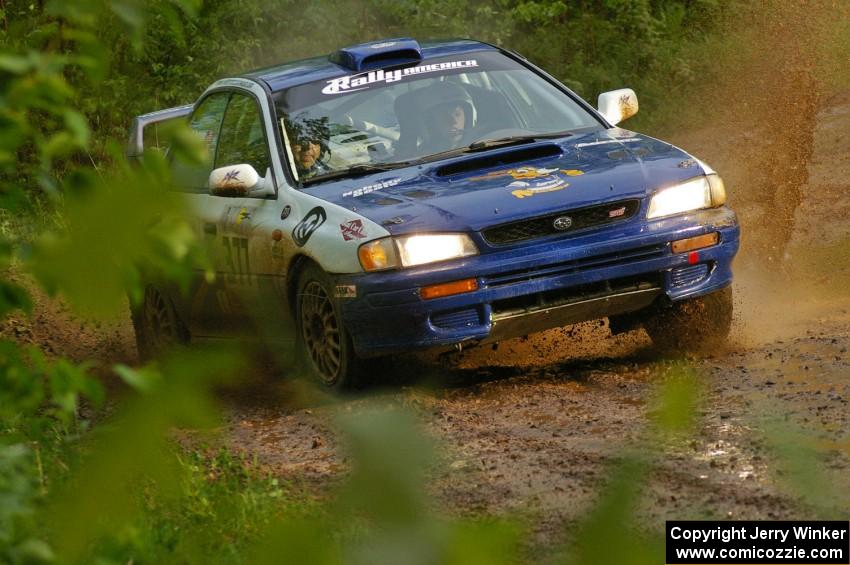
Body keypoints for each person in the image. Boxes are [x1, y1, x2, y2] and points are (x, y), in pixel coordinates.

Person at [420, 82, 476, 153]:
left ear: (468, 117)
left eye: (457, 114)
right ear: (431, 122)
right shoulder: (421, 157)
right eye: (444, 116)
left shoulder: (484, 144)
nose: (453, 122)